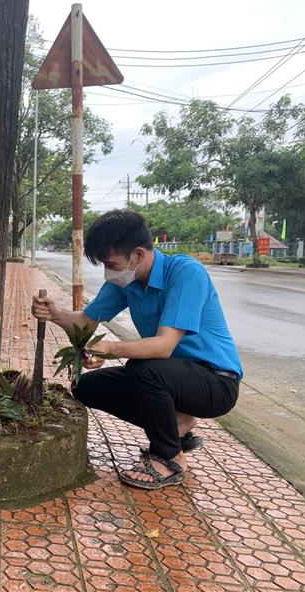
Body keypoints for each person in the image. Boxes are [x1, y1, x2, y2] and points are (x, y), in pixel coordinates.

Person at [32, 210, 242, 490]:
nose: (109, 272)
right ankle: (178, 423)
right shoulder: (126, 282)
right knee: (87, 386)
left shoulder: (185, 273)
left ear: (138, 255)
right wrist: (56, 314)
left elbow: (165, 346)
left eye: (111, 263)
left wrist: (109, 347)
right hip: (169, 378)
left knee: (144, 369)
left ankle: (170, 457)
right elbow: (84, 323)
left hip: (216, 381)